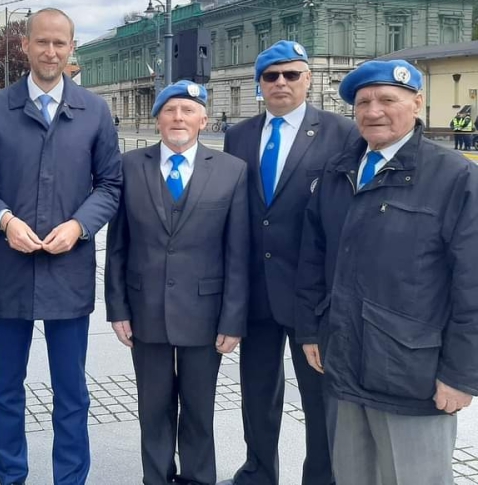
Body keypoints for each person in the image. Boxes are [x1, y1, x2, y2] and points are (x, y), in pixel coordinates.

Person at [296, 59, 478, 485]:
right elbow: (313, 259)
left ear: (417, 103)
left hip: (411, 375)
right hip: (344, 365)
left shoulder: (455, 178)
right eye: (363, 103)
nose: (373, 111)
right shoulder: (339, 171)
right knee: (352, 476)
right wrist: (309, 330)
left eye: (387, 100)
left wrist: (460, 374)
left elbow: (472, 283)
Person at [0, 7, 122, 485]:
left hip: (68, 271)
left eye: (60, 43)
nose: (50, 52)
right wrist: (4, 220)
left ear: (71, 49)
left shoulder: (95, 111)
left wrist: (79, 226)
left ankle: (69, 478)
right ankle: (11, 476)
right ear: (25, 46)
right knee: (6, 389)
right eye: (42, 42)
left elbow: (110, 185)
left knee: (71, 391)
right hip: (9, 270)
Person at [220, 41, 357, 485]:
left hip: (311, 292)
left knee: (319, 397)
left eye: (291, 74)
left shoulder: (341, 133)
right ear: (260, 83)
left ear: (308, 79)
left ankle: (321, 477)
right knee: (257, 393)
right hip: (257, 289)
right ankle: (258, 472)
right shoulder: (239, 135)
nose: (281, 82)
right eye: (271, 76)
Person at [106, 80, 249, 485]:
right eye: (169, 110)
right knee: (152, 407)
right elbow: (117, 245)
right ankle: (157, 477)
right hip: (145, 308)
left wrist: (233, 319)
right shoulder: (129, 165)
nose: (178, 118)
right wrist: (117, 308)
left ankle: (198, 478)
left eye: (188, 111)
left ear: (204, 120)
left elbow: (237, 251)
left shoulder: (232, 170)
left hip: (206, 312)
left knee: (199, 409)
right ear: (158, 119)